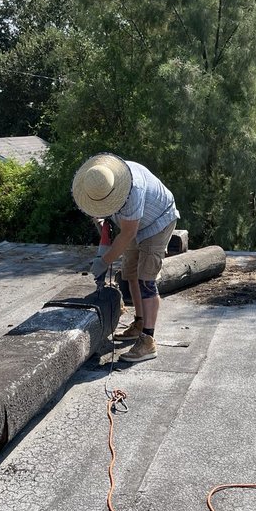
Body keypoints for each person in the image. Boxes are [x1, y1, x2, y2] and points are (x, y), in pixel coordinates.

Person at [72, 153, 179, 362]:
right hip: (132, 223)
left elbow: (128, 233)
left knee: (146, 280)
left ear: (114, 192)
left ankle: (148, 340)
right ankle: (139, 322)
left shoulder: (132, 190)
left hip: (158, 221)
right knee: (130, 273)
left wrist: (104, 261)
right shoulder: (96, 184)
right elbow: (104, 222)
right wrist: (103, 235)